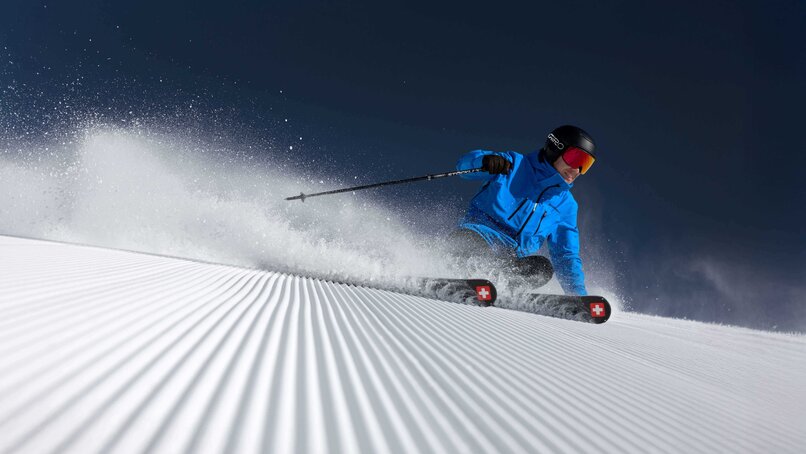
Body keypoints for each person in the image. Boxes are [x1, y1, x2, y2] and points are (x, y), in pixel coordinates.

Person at [454, 125, 597, 295]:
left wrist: (578, 296)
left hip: (510, 261)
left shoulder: (566, 205)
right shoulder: (514, 165)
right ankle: (464, 272)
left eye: (585, 164)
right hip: (476, 237)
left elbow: (566, 255)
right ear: (555, 149)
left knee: (542, 268)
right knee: (471, 243)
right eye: (575, 158)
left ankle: (498, 286)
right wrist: (484, 161)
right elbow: (462, 168)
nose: (576, 170)